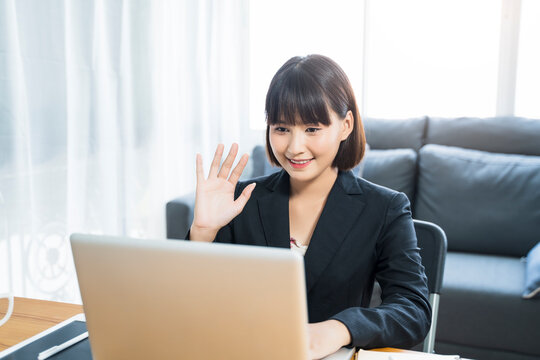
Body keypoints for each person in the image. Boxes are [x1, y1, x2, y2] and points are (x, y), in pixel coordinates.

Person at [188, 54, 431, 359]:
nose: (294, 147)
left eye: (312, 129)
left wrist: (338, 328)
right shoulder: (241, 201)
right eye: (281, 128)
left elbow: (413, 310)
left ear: (345, 126)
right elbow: (192, 306)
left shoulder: (385, 208)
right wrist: (202, 233)